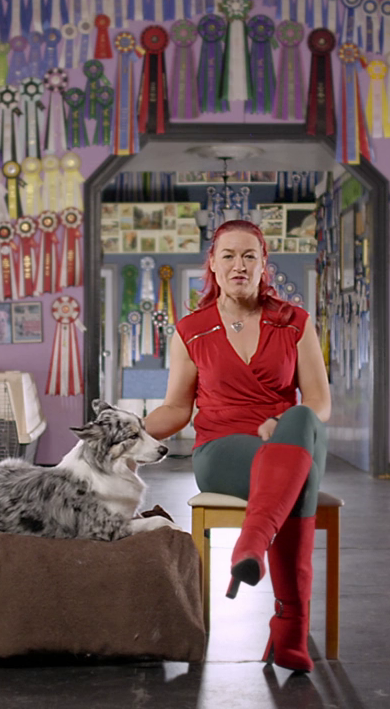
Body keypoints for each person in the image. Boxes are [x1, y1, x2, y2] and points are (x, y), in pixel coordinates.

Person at [143, 219, 331, 673]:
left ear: (265, 264)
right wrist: (124, 432)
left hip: (286, 438)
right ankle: (290, 626)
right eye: (228, 255)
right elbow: (177, 409)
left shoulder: (295, 322)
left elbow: (320, 403)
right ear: (212, 263)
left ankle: (252, 542)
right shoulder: (191, 330)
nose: (239, 265)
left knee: (302, 419)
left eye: (250, 256)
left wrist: (281, 423)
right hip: (222, 449)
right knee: (299, 479)